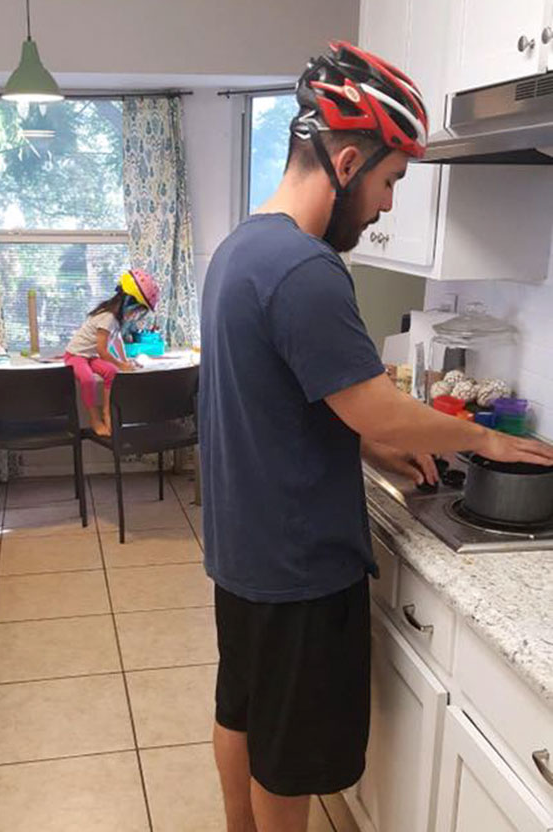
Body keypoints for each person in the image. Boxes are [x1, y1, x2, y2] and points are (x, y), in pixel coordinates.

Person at [199, 40, 553, 832]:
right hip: (296, 564)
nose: (390, 203)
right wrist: (490, 443)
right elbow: (376, 406)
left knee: (242, 714)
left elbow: (284, 400)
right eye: (391, 180)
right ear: (349, 160)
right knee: (286, 766)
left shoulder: (239, 251)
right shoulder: (305, 269)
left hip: (243, 550)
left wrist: (365, 442)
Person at [65, 269, 160, 435]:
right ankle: (94, 419)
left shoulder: (116, 320)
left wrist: (125, 361)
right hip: (76, 355)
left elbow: (117, 341)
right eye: (137, 310)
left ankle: (107, 412)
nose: (136, 315)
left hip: (91, 356)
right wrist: (121, 364)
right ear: (128, 303)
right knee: (88, 380)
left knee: (112, 372)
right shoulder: (108, 317)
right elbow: (103, 350)